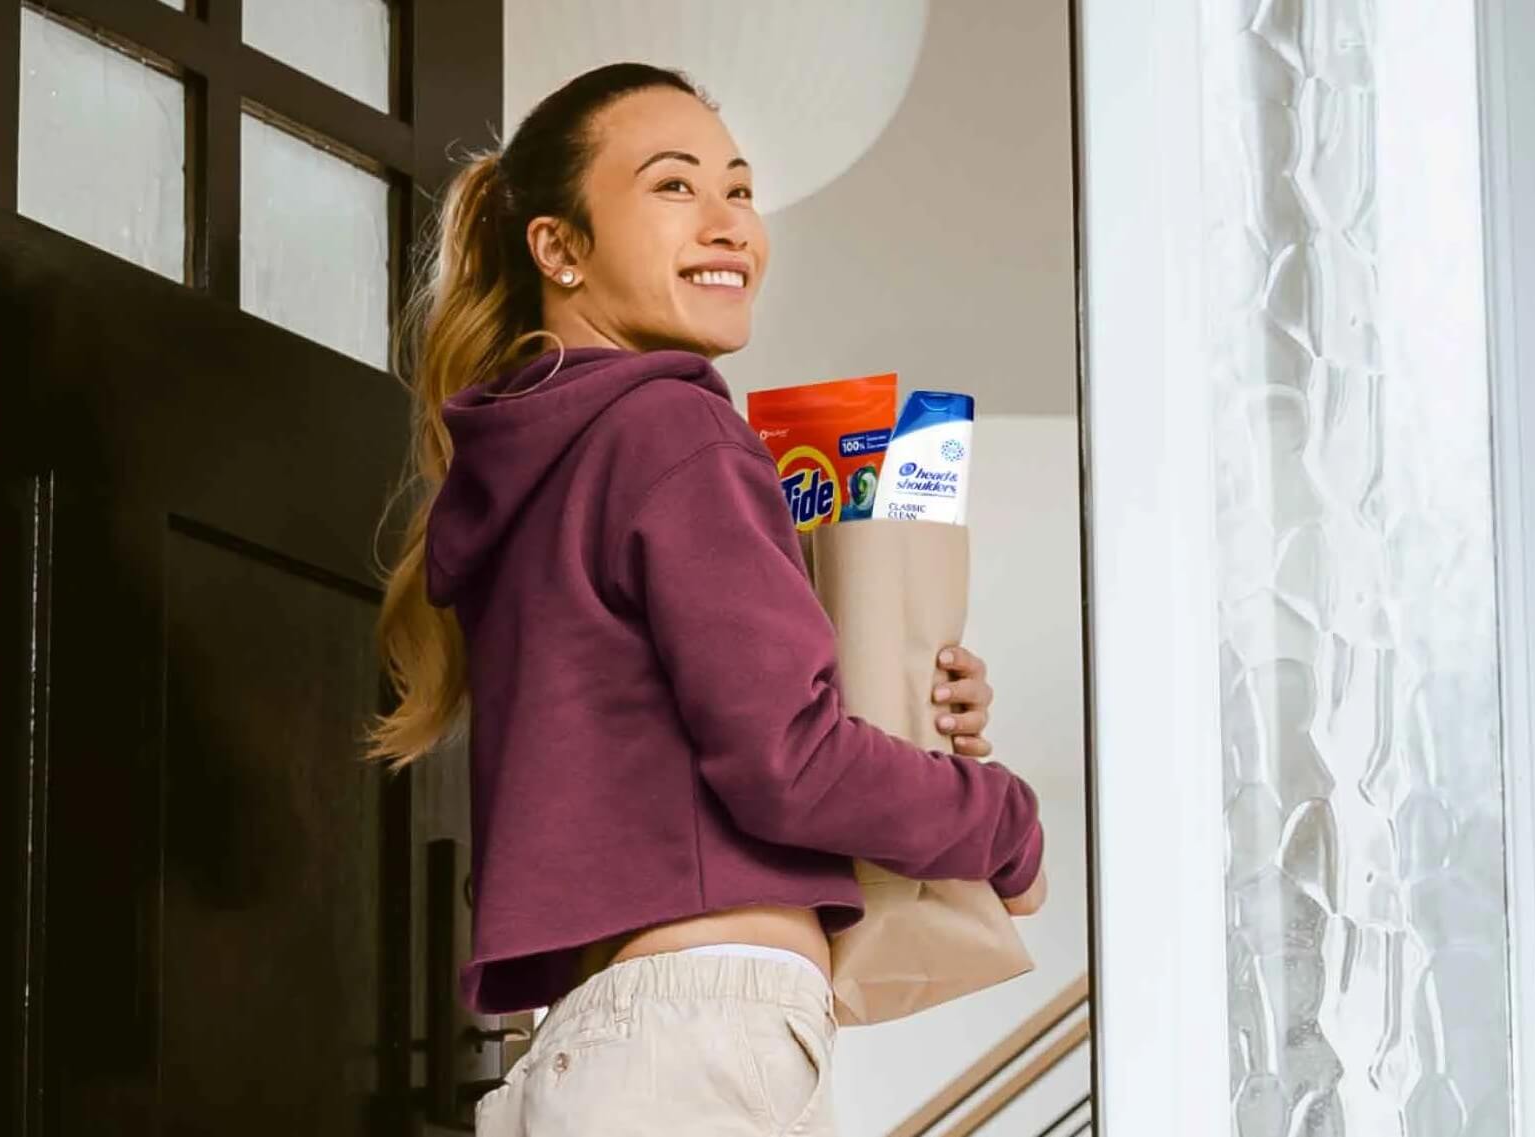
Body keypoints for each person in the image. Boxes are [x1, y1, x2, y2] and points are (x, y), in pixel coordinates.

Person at [371, 62, 1047, 1135]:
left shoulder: (538, 458)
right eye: (676, 187)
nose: (729, 222)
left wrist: (905, 716)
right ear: (560, 248)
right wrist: (1003, 820)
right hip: (692, 1043)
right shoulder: (670, 429)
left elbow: (686, 752)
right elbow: (786, 763)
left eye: (739, 189)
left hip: (620, 1042)